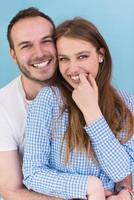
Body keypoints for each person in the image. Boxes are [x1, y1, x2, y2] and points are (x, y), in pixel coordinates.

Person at [22, 17, 134, 200]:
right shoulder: (48, 100)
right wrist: (90, 186)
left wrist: (92, 112)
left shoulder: (127, 104)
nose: (73, 68)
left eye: (82, 56)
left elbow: (121, 172)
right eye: (64, 59)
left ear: (100, 55)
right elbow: (33, 173)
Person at [0, 7, 63, 200]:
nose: (40, 53)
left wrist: (125, 191)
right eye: (26, 46)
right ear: (13, 54)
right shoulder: (3, 106)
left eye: (47, 41)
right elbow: (11, 190)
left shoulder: (83, 87)